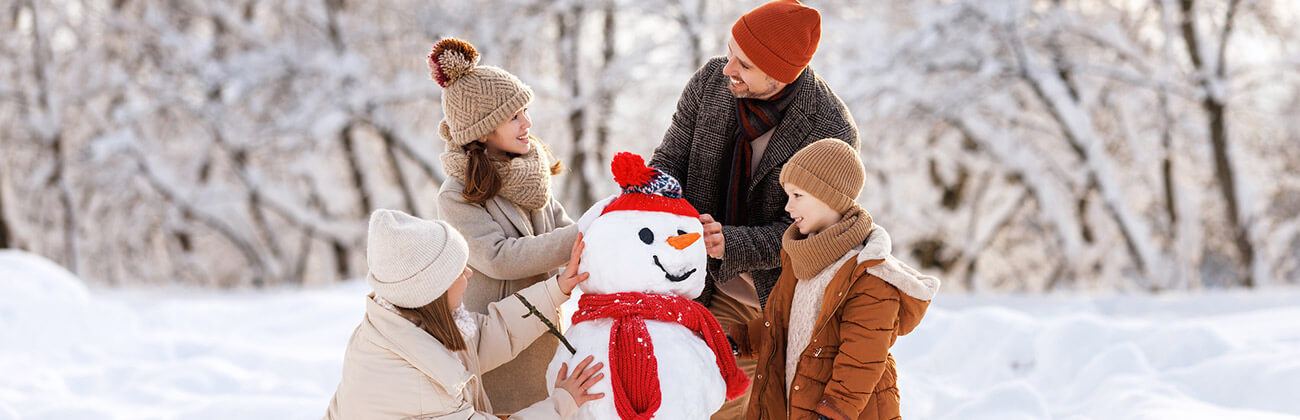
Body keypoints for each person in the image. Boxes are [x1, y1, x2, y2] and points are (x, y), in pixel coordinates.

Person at [646, 1, 859, 417]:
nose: (728, 68)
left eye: (743, 64)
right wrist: (651, 192)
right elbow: (669, 159)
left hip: (766, 296)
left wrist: (733, 242)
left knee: (723, 398)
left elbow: (812, 232)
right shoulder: (711, 82)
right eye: (730, 53)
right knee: (673, 388)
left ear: (779, 74)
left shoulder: (829, 131)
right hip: (691, 271)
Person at [729, 140, 940, 419]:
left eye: (797, 195)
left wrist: (834, 412)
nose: (788, 207)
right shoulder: (803, 258)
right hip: (800, 404)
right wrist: (738, 340)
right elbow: (785, 327)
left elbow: (861, 358)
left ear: (827, 195)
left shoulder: (868, 273)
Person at [325, 209, 604, 419]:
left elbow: (490, 334)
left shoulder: (408, 322)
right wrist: (562, 402)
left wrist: (556, 288)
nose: (469, 272)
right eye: (459, 270)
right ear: (433, 290)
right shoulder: (416, 382)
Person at [428, 37, 581, 412]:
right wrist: (585, 235)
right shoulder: (457, 195)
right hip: (500, 346)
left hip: (547, 335)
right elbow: (500, 258)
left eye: (525, 111)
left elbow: (567, 229)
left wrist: (607, 228)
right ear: (482, 129)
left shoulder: (531, 176)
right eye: (514, 115)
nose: (527, 123)